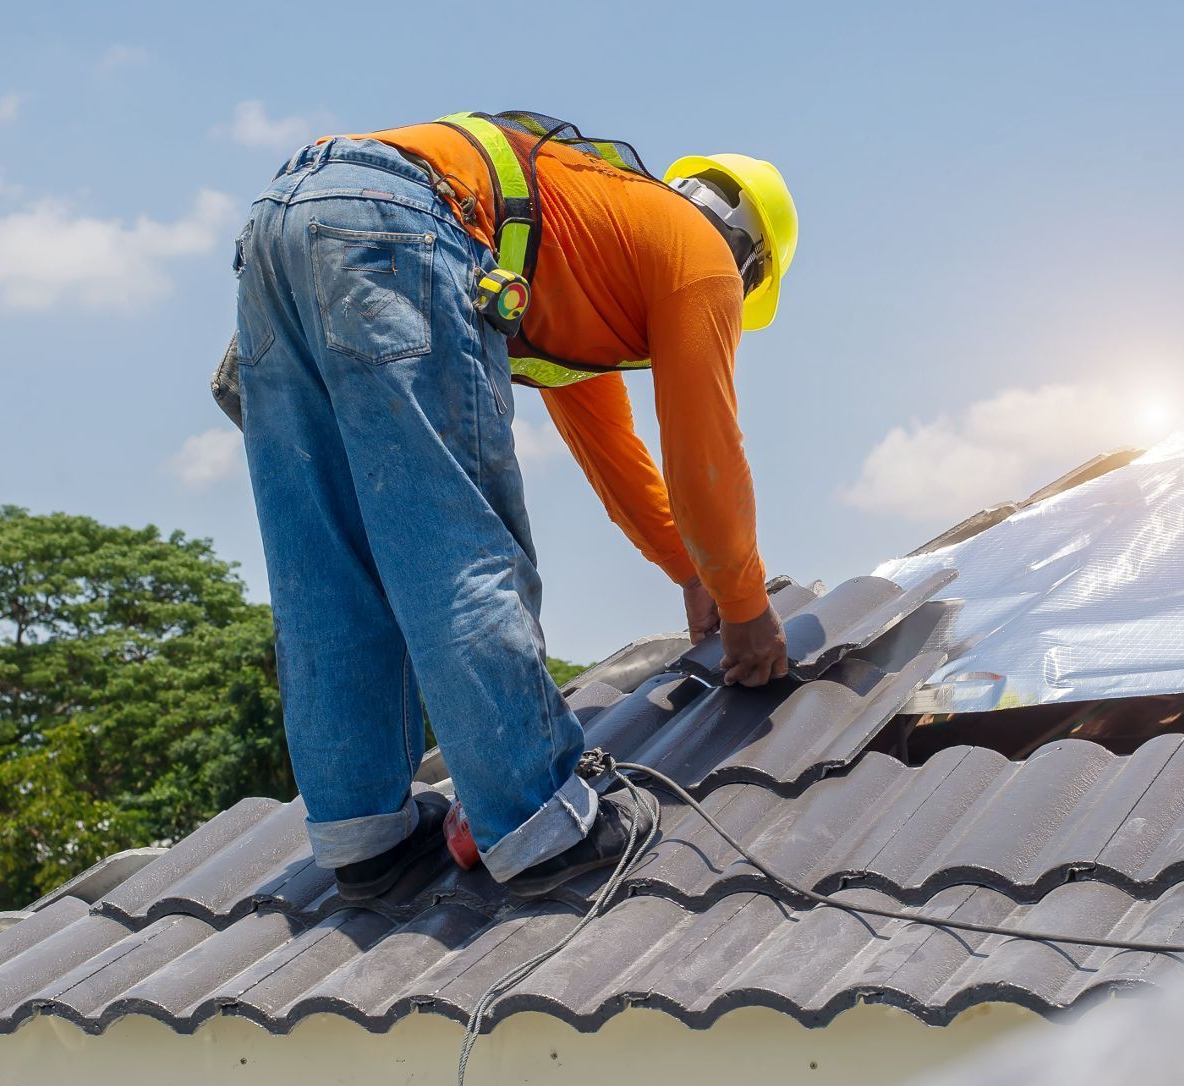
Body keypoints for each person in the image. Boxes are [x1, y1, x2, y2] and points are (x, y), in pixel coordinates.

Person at [229, 111, 797, 901]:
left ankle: (364, 839)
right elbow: (705, 453)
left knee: (324, 557)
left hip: (282, 226)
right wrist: (745, 604)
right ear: (750, 259)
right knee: (456, 541)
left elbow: (620, 463)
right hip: (400, 224)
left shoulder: (591, 255)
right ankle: (537, 824)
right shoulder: (699, 257)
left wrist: (691, 572)